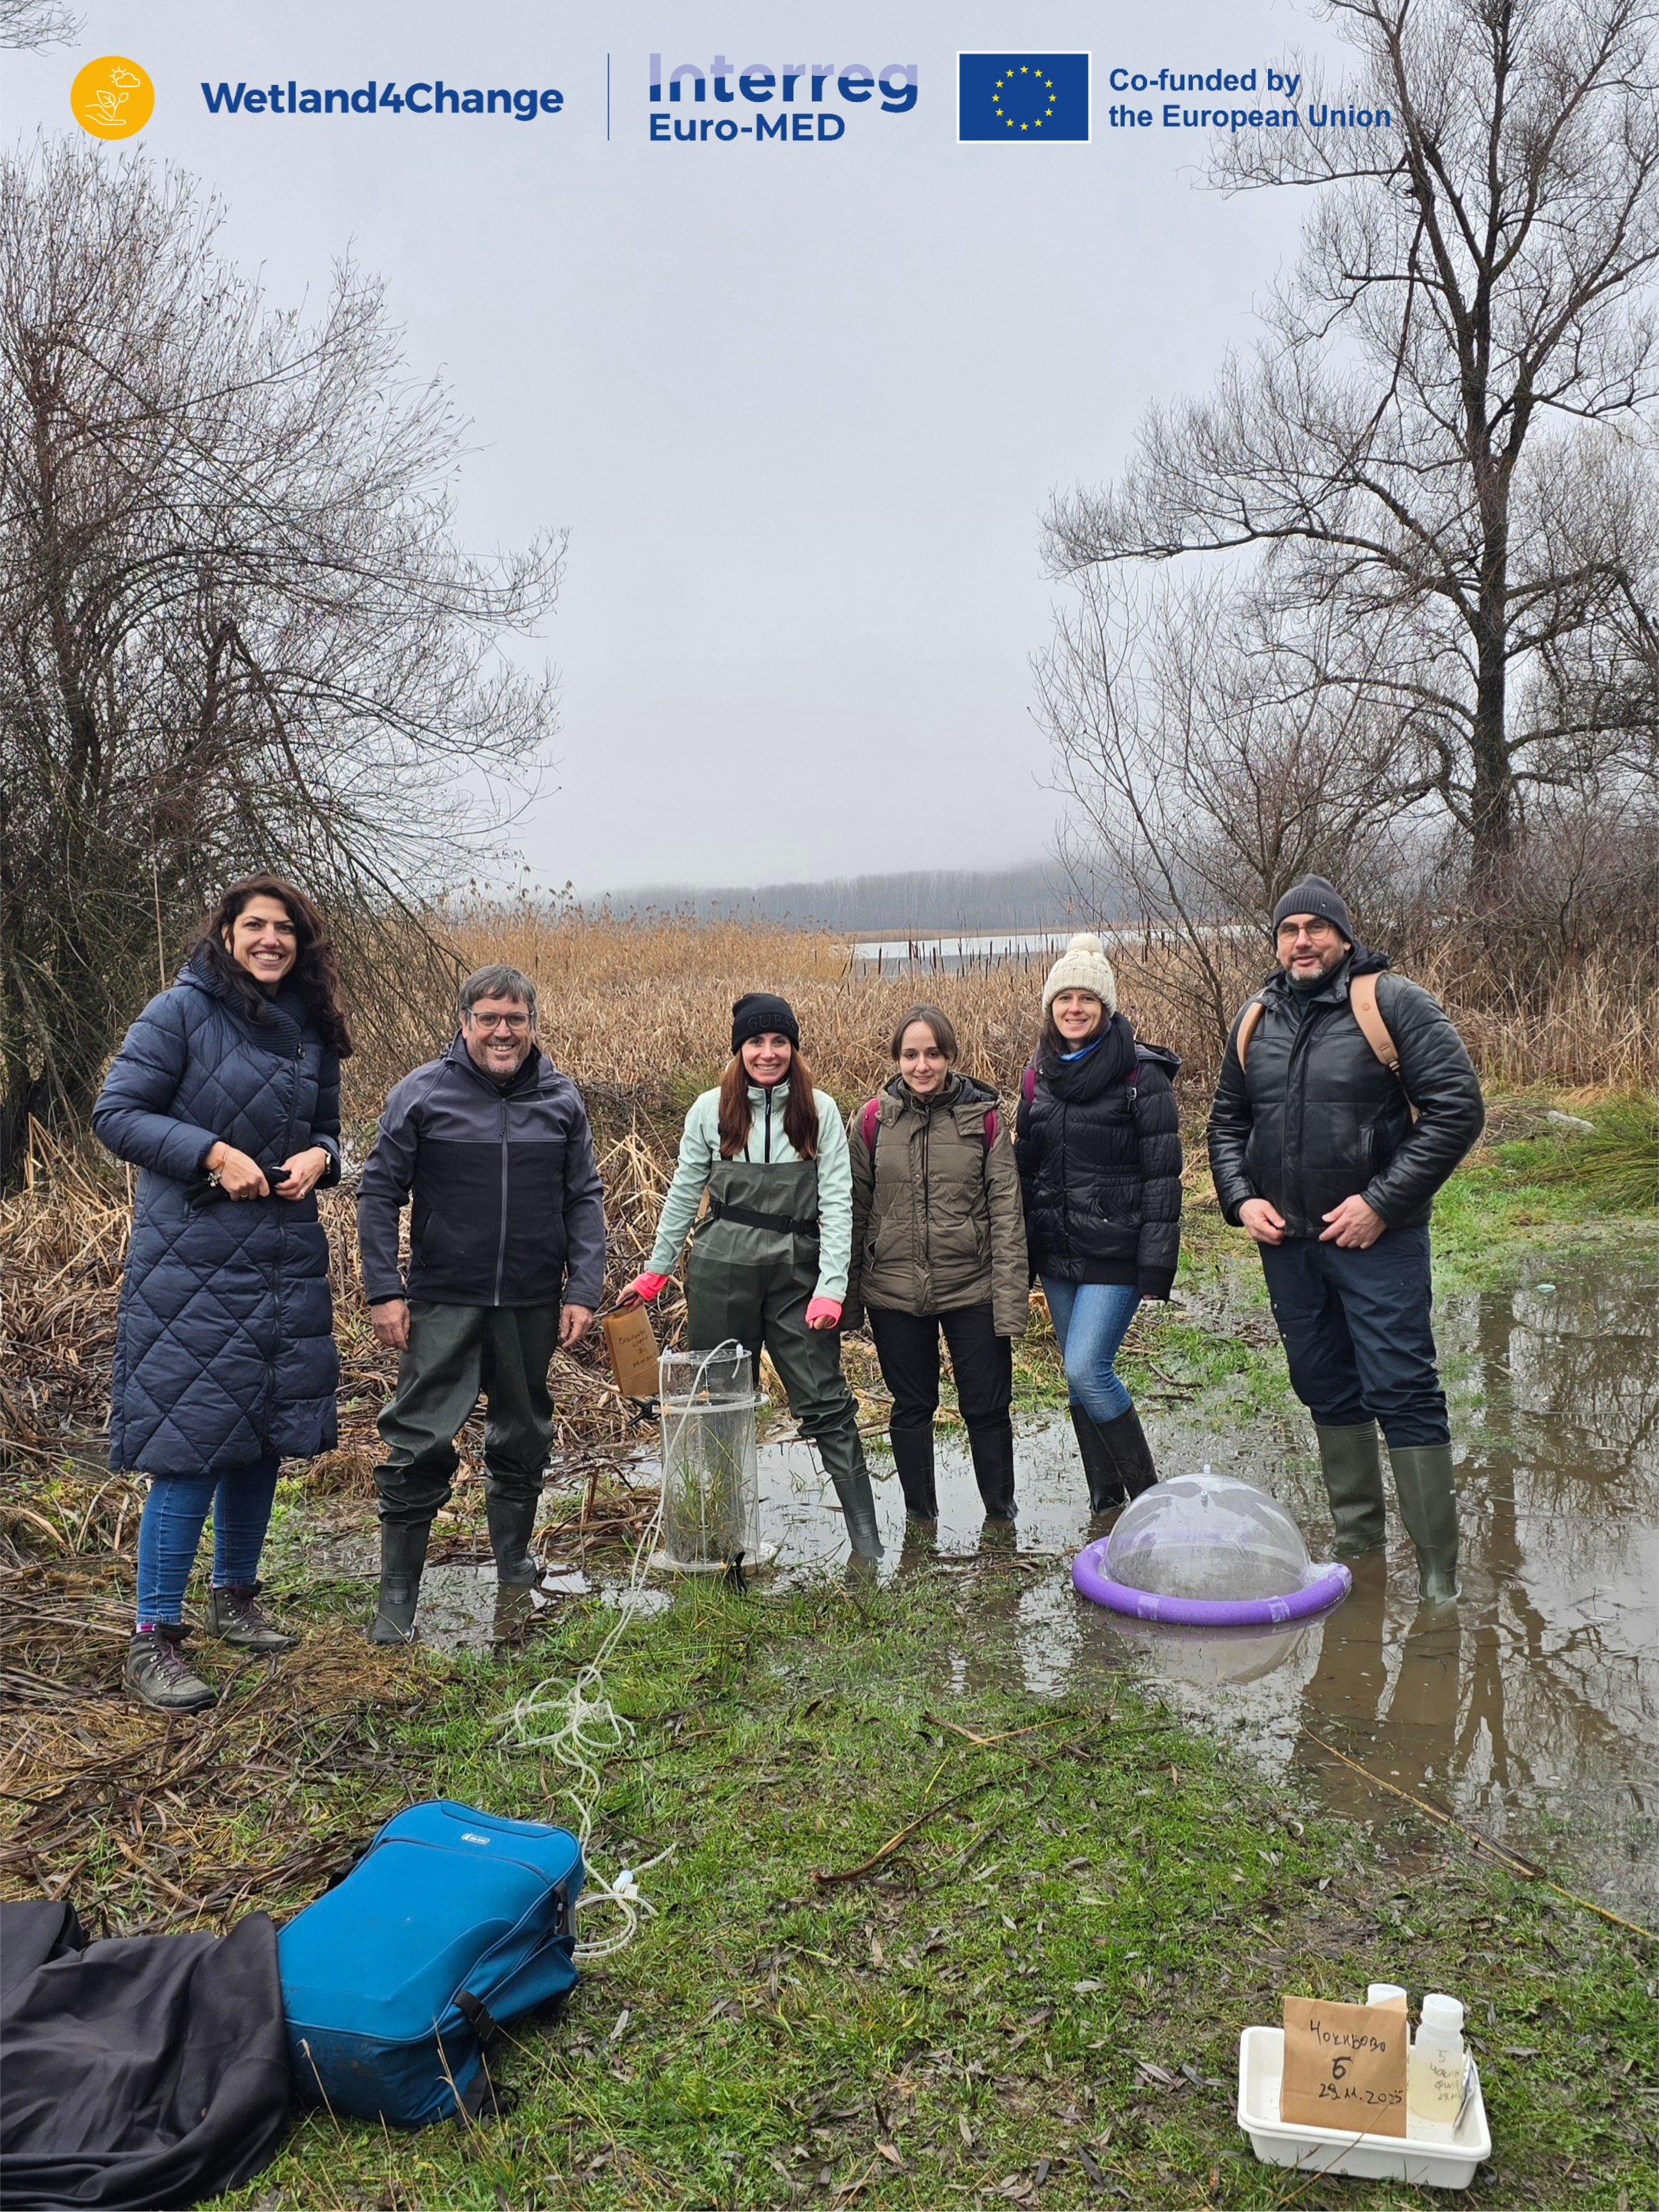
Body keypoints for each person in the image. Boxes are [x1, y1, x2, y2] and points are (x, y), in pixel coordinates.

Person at [94, 875, 350, 1714]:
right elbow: (116, 1114)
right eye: (256, 926)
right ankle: (153, 1638)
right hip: (192, 1265)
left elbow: (327, 1129)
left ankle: (235, 1597)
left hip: (283, 1256)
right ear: (227, 934)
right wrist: (212, 1152)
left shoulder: (311, 1026)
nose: (271, 940)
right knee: (192, 1443)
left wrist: (323, 1158)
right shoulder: (179, 1011)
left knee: (262, 1436)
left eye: (286, 929)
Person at [1206, 876, 1485, 1602]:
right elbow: (1227, 1123)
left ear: (1343, 935)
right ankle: (1359, 1550)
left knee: (1402, 1386)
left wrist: (1381, 1203)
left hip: (1377, 1242)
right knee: (1325, 1385)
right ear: (1276, 942)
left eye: (1316, 928)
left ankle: (1439, 1581)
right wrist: (1241, 1200)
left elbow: (1457, 1109)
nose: (1302, 941)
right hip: (1289, 1246)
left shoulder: (1391, 1002)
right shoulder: (1255, 1017)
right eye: (1288, 930)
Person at [357, 963, 606, 1643]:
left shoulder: (560, 1098)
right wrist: (384, 1290)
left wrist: (583, 1288)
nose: (503, 1032)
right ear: (464, 1022)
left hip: (530, 1300)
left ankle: (514, 1563)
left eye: (515, 1019)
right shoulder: (421, 1093)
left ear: (532, 1024)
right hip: (443, 1300)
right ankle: (398, 1593)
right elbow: (378, 1194)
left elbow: (583, 1197)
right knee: (418, 1441)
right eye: (489, 1018)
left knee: (523, 1435)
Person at [625, 993, 882, 1560]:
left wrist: (831, 1288)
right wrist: (656, 1271)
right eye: (756, 1042)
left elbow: (838, 1202)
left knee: (825, 1401)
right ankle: (725, 1535)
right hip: (721, 1274)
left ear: (794, 1047)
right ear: (739, 1049)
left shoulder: (820, 1111)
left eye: (779, 1041)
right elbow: (683, 1194)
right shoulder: (709, 1110)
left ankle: (866, 1540)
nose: (768, 1053)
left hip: (797, 1279)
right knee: (718, 1402)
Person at [1014, 933, 1181, 1511]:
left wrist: (1156, 1263)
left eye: (1087, 998)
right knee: (1075, 1378)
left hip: (1116, 1249)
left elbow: (1163, 1176)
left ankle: (1150, 1505)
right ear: (1051, 1006)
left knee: (1089, 1368)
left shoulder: (1141, 1076)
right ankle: (1106, 1508)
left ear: (1105, 1006)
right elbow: (1025, 1165)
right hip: (1058, 1249)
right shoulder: (1038, 1074)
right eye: (1065, 998)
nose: (1075, 1008)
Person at [843, 1004, 1027, 1525]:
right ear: (897, 1059)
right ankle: (920, 1520)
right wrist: (849, 1301)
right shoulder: (872, 1122)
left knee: (987, 1407)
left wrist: (1009, 1305)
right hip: (894, 1291)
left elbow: (1007, 1216)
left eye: (932, 1053)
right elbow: (853, 1213)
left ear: (950, 1055)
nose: (921, 1066)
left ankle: (1001, 1517)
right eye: (910, 1055)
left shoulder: (984, 1120)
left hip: (973, 1288)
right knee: (911, 1406)